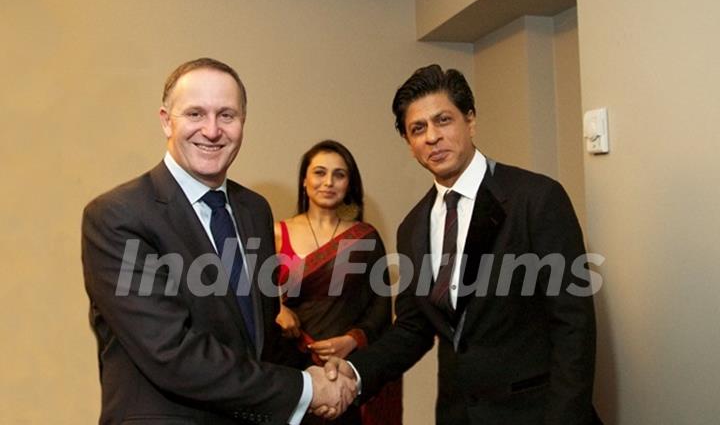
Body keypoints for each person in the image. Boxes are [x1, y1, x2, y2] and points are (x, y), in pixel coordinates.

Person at [81, 58, 354, 424]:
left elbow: (259, 333)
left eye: (227, 115)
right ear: (166, 120)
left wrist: (326, 371)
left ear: (243, 122)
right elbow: (172, 352)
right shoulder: (118, 216)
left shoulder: (254, 210)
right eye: (195, 114)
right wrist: (305, 389)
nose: (212, 131)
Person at [326, 65, 602, 424]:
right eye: (418, 129)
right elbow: (413, 328)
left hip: (537, 414)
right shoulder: (413, 227)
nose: (432, 137)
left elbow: (574, 326)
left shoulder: (536, 198)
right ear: (409, 145)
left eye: (443, 120)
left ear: (470, 121)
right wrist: (355, 371)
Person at [274, 140, 402, 425]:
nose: (328, 182)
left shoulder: (364, 238)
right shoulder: (276, 234)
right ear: (304, 180)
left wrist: (351, 340)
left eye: (339, 174)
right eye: (319, 172)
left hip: (345, 373)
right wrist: (276, 309)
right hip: (289, 370)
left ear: (349, 184)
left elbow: (381, 307)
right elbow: (251, 297)